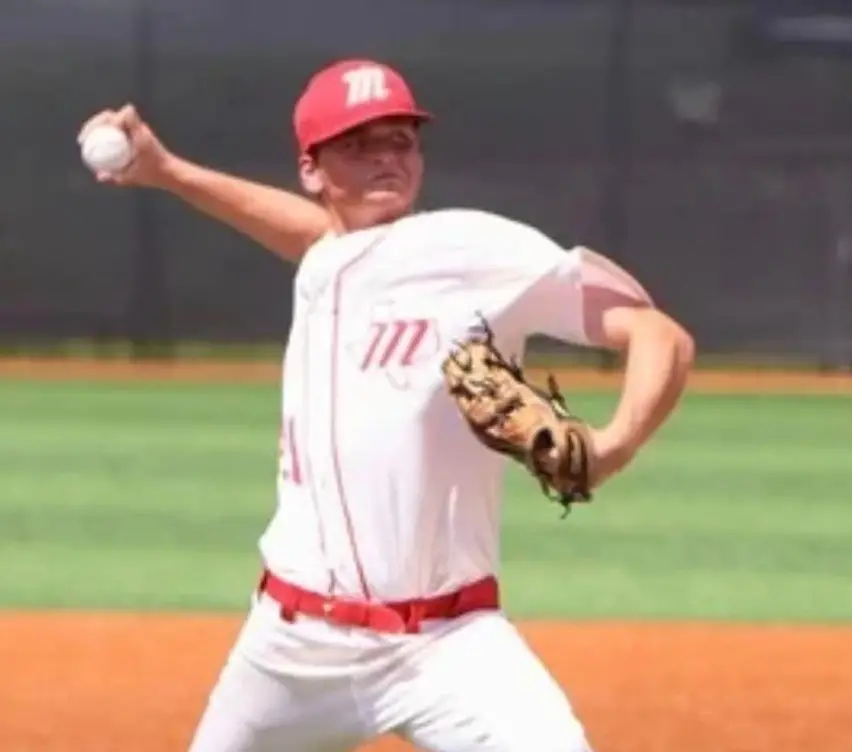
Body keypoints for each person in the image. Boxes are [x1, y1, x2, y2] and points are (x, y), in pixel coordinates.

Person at [79, 58, 694, 752]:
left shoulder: (472, 249)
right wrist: (167, 171)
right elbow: (315, 234)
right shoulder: (327, 257)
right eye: (358, 144)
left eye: (400, 140)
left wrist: (614, 444)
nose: (385, 157)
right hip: (291, 651)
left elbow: (658, 333)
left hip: (448, 644)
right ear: (312, 170)